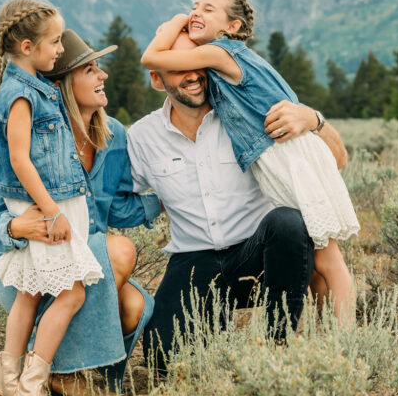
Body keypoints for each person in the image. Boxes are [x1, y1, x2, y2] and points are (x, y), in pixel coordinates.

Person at [129, 30, 349, 376]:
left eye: (200, 61)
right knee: (163, 362)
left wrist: (313, 119)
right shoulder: (141, 138)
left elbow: (337, 159)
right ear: (157, 79)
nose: (194, 73)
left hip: (259, 255)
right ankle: (213, 325)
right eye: (180, 67)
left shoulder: (247, 116)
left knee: (289, 222)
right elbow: (116, 199)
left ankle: (277, 351)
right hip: (193, 261)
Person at [140, 0, 359, 321]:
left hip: (285, 167)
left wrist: (176, 21)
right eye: (195, 5)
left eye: (208, 8)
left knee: (321, 253)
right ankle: (335, 336)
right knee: (322, 255)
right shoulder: (146, 133)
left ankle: (335, 340)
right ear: (159, 82)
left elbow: (151, 57)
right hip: (198, 256)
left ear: (233, 27)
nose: (197, 12)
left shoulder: (221, 54)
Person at [0, 30, 160, 396]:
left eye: (100, 68)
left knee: (136, 306)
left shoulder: (114, 135)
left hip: (79, 258)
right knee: (120, 253)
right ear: (63, 83)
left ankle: (66, 369)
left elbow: (122, 208)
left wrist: (168, 197)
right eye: (90, 69)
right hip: (29, 261)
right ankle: (57, 374)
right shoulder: (42, 136)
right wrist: (17, 226)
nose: (103, 76)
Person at [0, 0, 101, 396]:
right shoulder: (19, 94)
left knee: (30, 294)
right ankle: (32, 388)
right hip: (44, 206)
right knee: (71, 293)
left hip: (48, 203)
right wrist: (51, 211)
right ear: (28, 46)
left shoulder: (32, 88)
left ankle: (6, 379)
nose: (60, 51)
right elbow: (19, 159)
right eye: (53, 42)